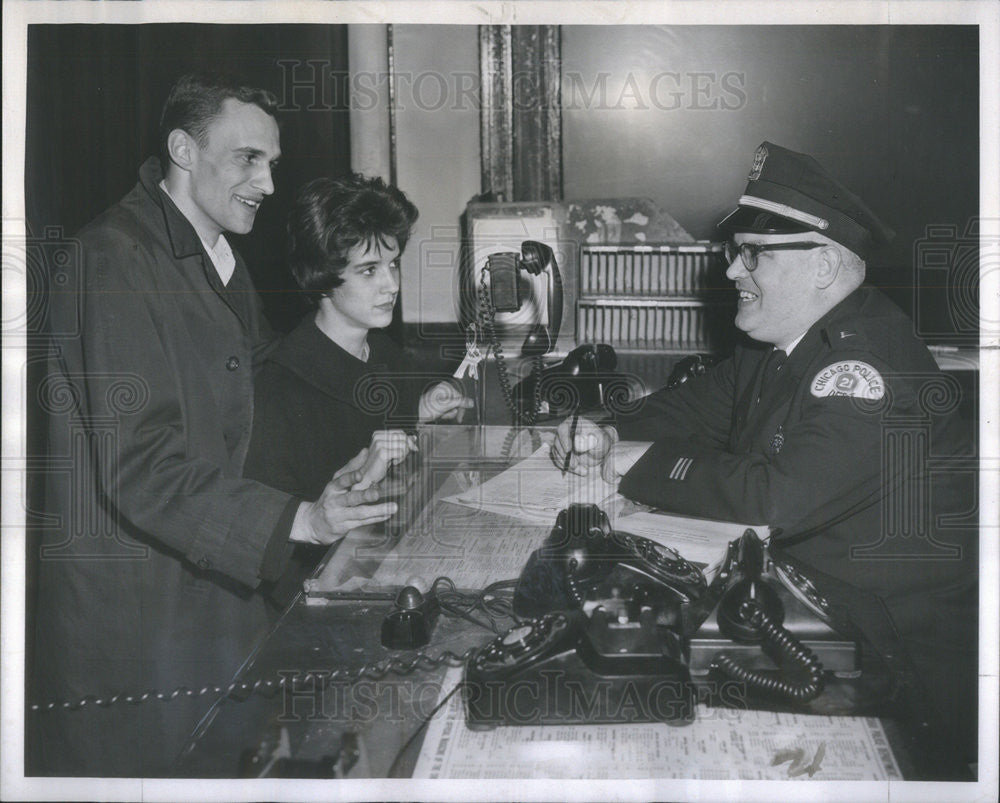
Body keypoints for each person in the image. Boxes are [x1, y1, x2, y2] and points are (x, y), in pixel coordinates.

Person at [551, 142, 978, 767]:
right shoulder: (777, 341)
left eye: (754, 254)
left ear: (825, 267)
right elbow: (694, 406)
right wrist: (605, 428)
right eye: (734, 250)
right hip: (806, 602)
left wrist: (630, 462)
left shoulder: (869, 368)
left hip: (894, 652)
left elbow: (775, 498)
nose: (731, 271)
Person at [30, 73, 403, 777]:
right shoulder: (109, 258)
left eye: (272, 162)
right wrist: (301, 519)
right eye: (247, 159)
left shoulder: (217, 251)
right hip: (142, 629)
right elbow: (142, 465)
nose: (266, 181)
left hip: (220, 605)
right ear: (183, 149)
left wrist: (337, 468)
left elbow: (256, 402)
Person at [243, 175, 472, 606]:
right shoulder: (278, 388)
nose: (392, 284)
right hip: (319, 598)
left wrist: (418, 413)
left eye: (393, 263)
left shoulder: (383, 352)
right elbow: (271, 555)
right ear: (322, 277)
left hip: (394, 567)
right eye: (369, 270)